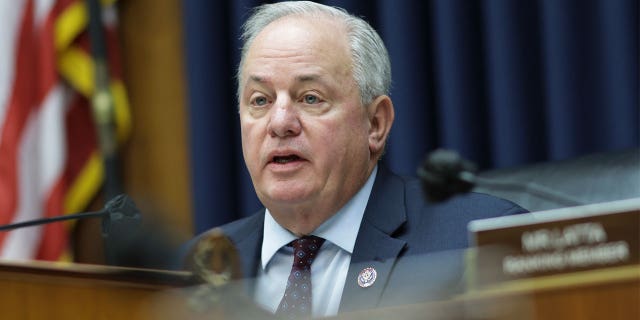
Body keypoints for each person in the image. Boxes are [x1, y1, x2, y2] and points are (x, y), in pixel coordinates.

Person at [189, 1, 527, 318]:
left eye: (310, 98)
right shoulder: (191, 272)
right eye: (260, 100)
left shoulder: (479, 244)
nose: (279, 123)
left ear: (376, 124)